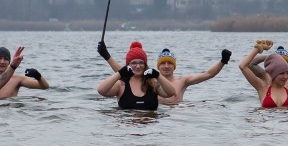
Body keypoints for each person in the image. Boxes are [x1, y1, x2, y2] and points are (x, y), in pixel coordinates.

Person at [97, 40, 232, 104]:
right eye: (163, 63)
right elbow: (128, 72)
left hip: (175, 115)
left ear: (174, 66)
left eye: (170, 63)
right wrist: (107, 56)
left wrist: (222, 61)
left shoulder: (182, 81)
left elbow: (208, 74)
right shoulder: (150, 80)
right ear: (157, 66)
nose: (166, 66)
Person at [239, 38, 288, 108]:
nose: (285, 76)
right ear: (273, 73)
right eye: (281, 73)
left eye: (287, 72)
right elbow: (243, 66)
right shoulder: (262, 87)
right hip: (267, 124)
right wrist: (257, 49)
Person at [96, 41, 175, 110]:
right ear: (128, 65)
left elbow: (171, 93)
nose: (138, 66)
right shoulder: (121, 85)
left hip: (150, 123)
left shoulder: (153, 83)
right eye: (134, 63)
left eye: (141, 63)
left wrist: (158, 75)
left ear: (145, 65)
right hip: (128, 123)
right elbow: (101, 90)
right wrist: (119, 73)